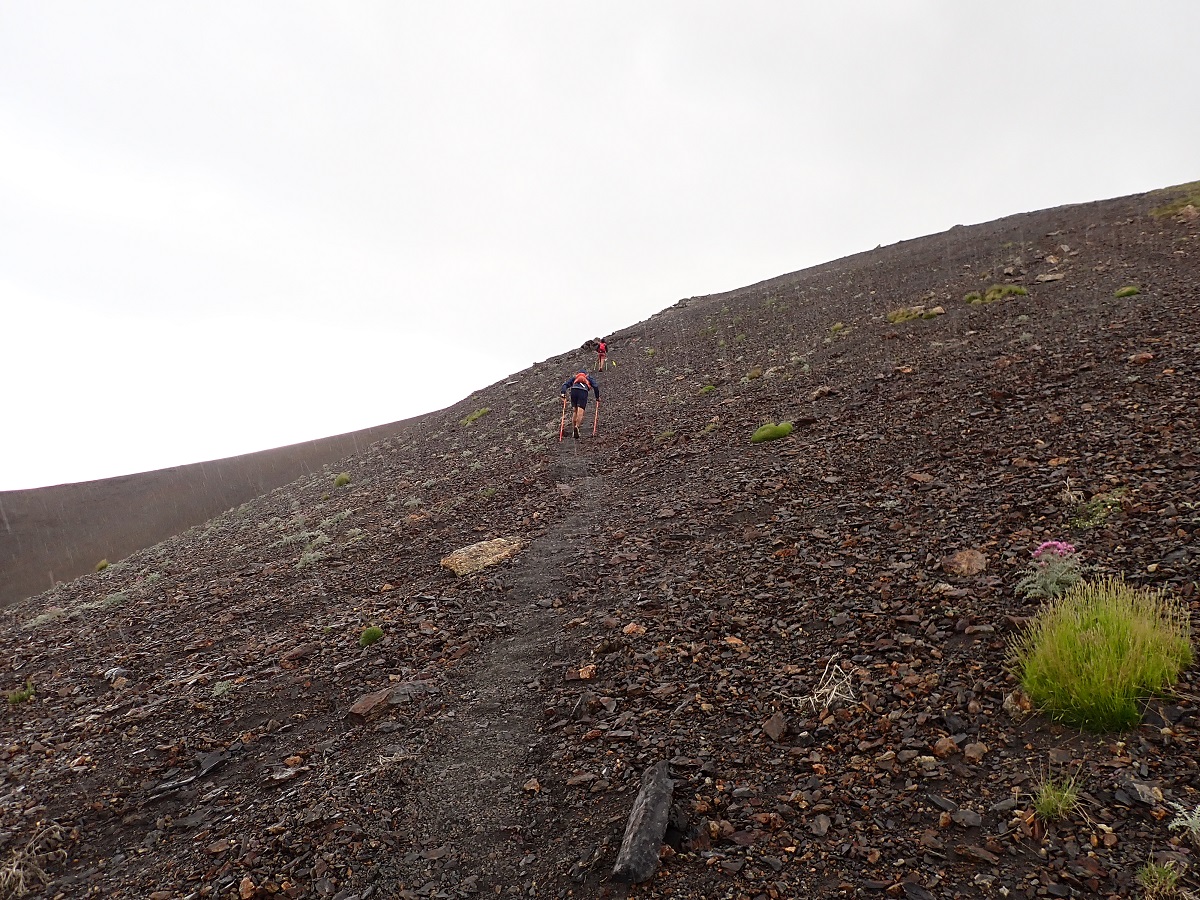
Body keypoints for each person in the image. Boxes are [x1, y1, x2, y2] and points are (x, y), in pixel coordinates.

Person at [560, 371, 600, 440]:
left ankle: (573, 430)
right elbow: (595, 386)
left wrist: (563, 393)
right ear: (586, 374)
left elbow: (565, 385)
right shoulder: (588, 377)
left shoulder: (575, 377)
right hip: (583, 391)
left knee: (575, 410)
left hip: (574, 390)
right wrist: (597, 397)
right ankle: (577, 427)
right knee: (580, 410)